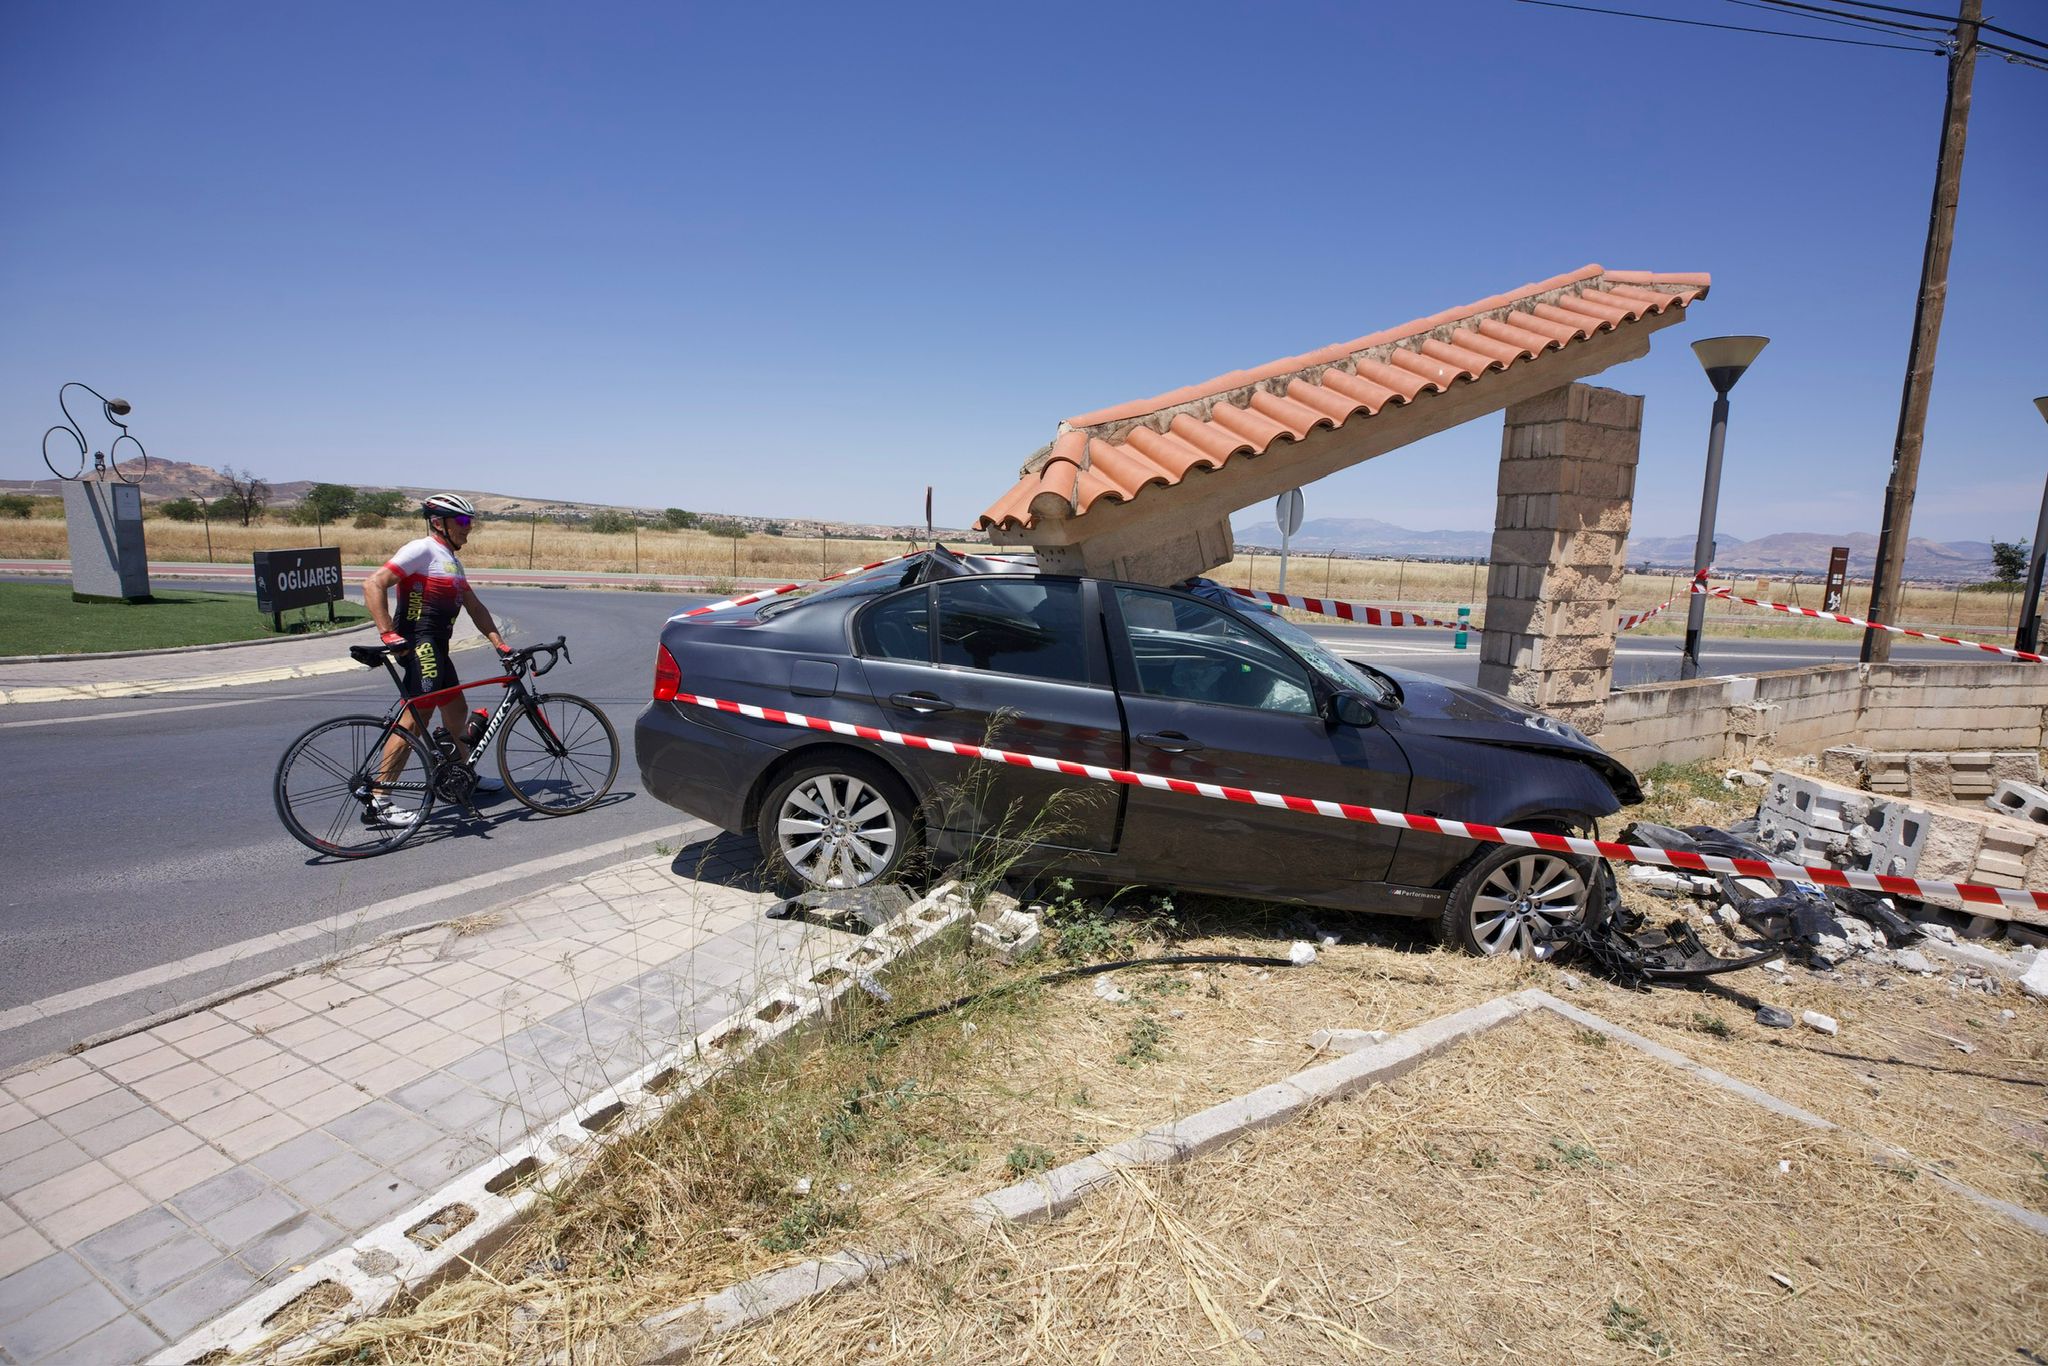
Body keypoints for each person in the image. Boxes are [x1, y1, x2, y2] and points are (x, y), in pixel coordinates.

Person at [360, 493, 511, 825]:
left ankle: (462, 776)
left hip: (437, 648)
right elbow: (373, 584)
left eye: (470, 522)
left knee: (456, 710)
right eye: (462, 522)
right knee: (416, 718)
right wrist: (388, 634)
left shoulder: (451, 560)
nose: (468, 529)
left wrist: (500, 644)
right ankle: (380, 798)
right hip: (419, 645)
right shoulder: (422, 549)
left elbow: (474, 607)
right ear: (438, 523)